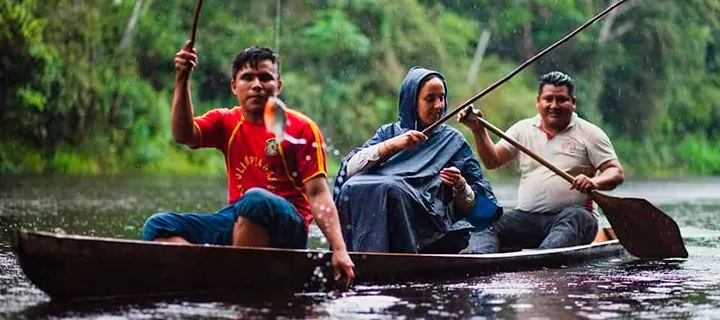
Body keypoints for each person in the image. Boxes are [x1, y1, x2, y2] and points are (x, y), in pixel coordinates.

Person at [141, 42, 355, 286]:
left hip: (288, 226)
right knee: (158, 226)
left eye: (265, 78)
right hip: (239, 218)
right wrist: (182, 78)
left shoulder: (302, 128)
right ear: (234, 86)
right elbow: (183, 134)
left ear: (278, 86)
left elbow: (318, 194)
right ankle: (211, 275)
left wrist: (339, 249)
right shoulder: (225, 121)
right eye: (247, 78)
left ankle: (234, 283)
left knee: (255, 200)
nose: (256, 85)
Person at [333, 66, 501, 254]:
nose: (438, 105)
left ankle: (402, 257)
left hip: (430, 226)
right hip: (384, 198)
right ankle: (353, 255)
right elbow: (351, 169)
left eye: (442, 98)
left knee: (392, 189)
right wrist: (395, 144)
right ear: (412, 102)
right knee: (353, 186)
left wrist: (461, 186)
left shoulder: (453, 141)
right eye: (430, 99)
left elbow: (477, 207)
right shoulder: (388, 133)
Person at [458, 71, 625, 253]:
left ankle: (540, 260)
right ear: (538, 101)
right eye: (548, 99)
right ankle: (480, 262)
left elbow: (615, 172)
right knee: (486, 221)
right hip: (527, 219)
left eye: (561, 99)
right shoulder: (522, 129)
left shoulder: (590, 133)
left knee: (574, 217)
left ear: (573, 102)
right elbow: (492, 161)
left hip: (574, 218)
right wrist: (478, 130)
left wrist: (594, 182)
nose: (554, 105)